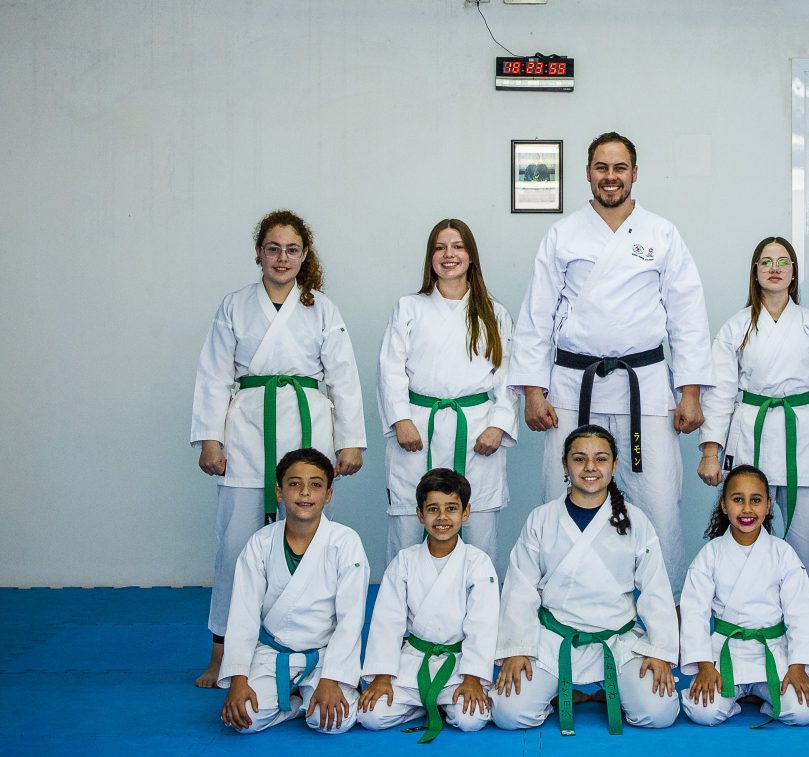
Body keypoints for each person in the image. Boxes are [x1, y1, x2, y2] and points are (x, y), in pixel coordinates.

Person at [509, 131, 713, 597]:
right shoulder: (563, 233)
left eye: (620, 168)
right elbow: (537, 313)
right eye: (602, 167)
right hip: (571, 387)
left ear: (634, 174)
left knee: (657, 501)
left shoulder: (662, 233)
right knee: (562, 496)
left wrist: (691, 391)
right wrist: (533, 390)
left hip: (643, 385)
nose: (610, 177)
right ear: (588, 173)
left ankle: (664, 610)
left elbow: (687, 314)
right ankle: (562, 602)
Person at [191, 210, 367, 688]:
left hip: (307, 427)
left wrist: (350, 442)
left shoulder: (322, 308)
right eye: (273, 248)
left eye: (292, 249)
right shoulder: (235, 305)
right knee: (235, 544)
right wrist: (211, 438)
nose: (282, 257)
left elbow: (344, 377)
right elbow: (213, 374)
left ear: (304, 254)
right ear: (258, 253)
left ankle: (315, 643)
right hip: (247, 430)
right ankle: (223, 652)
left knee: (310, 537)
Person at [699, 236, 809, 618]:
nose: (774, 268)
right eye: (766, 261)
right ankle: (749, 618)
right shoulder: (736, 327)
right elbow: (720, 392)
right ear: (755, 272)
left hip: (803, 436)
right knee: (746, 533)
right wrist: (710, 451)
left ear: (793, 273)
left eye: (782, 262)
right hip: (751, 433)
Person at [490, 424, 679, 735]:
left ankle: (605, 688)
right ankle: (568, 688)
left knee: (659, 712)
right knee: (508, 713)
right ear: (565, 464)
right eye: (579, 459)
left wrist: (659, 650)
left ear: (615, 465)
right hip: (554, 639)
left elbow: (655, 589)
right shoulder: (542, 519)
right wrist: (516, 647)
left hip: (616, 640)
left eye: (601, 459)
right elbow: (520, 587)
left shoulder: (635, 521)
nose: (590, 468)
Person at [377, 219, 518, 564]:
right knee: (409, 529)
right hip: (419, 428)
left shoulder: (494, 313)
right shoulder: (409, 307)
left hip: (476, 430)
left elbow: (507, 375)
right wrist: (401, 419)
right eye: (440, 247)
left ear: (471, 256)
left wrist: (498, 425)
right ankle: (403, 613)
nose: (449, 254)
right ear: (430, 257)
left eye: (457, 247)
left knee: (480, 527)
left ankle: (480, 608)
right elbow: (390, 368)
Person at [218, 449, 369, 735]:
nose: (304, 493)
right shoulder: (260, 543)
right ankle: (298, 703)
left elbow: (351, 619)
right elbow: (243, 614)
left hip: (324, 654)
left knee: (334, 723)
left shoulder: (345, 542)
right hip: (273, 651)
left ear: (328, 495)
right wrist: (238, 677)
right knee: (242, 720)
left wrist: (331, 678)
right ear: (279, 491)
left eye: (315, 484)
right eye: (294, 483)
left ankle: (303, 697)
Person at [358, 468, 499, 742]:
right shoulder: (405, 561)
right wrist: (383, 675)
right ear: (420, 514)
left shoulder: (478, 562)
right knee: (370, 715)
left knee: (471, 720)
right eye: (433, 509)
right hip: (412, 660)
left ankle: (432, 702)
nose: (442, 517)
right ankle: (428, 703)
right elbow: (388, 621)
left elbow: (483, 625)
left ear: (466, 513)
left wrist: (472, 678)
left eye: (451, 508)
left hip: (458, 664)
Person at [679, 465, 809, 727]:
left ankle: (760, 696)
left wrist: (798, 666)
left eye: (755, 500)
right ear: (724, 505)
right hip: (727, 651)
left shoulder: (783, 553)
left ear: (768, 505)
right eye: (737, 500)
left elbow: (802, 612)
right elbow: (693, 613)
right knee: (704, 712)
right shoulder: (710, 555)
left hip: (773, 650)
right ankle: (739, 698)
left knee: (805, 710)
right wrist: (704, 666)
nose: (747, 509)